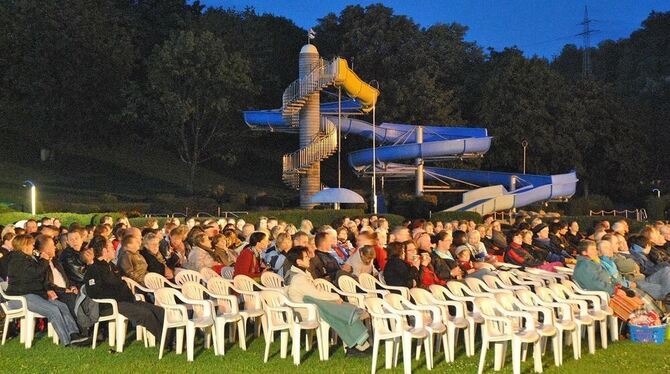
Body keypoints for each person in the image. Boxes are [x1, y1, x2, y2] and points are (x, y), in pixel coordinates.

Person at [284, 246, 370, 356]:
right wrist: (335, 297)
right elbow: (316, 294)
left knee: (342, 310)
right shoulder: (298, 279)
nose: (309, 258)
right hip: (308, 312)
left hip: (313, 306)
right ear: (299, 262)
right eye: (306, 257)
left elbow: (316, 293)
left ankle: (357, 345)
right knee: (343, 313)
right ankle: (357, 346)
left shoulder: (299, 273)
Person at [84, 235, 166, 345]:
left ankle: (173, 338)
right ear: (104, 251)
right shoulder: (94, 269)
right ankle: (167, 341)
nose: (115, 250)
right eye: (112, 248)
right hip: (110, 305)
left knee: (159, 311)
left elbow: (121, 283)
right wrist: (118, 294)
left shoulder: (111, 266)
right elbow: (94, 292)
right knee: (146, 314)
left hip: (126, 301)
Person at [5, 234, 85, 346]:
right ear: (25, 246)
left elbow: (39, 279)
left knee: (62, 306)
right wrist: (44, 260)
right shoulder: (17, 259)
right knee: (53, 310)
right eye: (31, 245)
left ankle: (74, 334)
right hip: (22, 296)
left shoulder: (26, 258)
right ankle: (67, 341)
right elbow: (34, 273)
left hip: (33, 294)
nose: (33, 247)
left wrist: (47, 290)